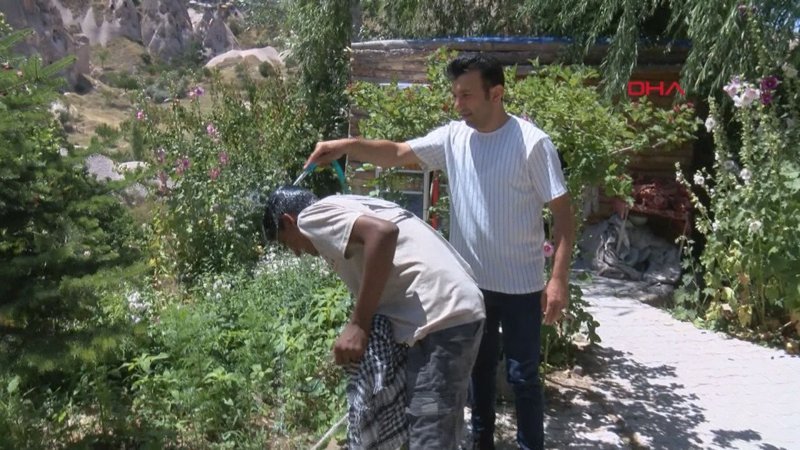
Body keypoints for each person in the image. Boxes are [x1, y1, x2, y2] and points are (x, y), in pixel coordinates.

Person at [306, 54, 576, 450]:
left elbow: (564, 217)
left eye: (466, 95)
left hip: (521, 287)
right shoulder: (453, 138)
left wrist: (558, 280)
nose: (458, 104)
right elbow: (397, 152)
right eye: (455, 95)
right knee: (478, 377)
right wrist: (347, 146)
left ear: (496, 93)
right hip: (472, 287)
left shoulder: (532, 144)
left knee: (523, 378)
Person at [261, 186, 486, 449]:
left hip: (442, 320)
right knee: (430, 418)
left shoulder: (310, 217)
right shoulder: (346, 204)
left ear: (289, 221)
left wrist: (359, 324)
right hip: (448, 316)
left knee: (430, 433)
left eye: (287, 243)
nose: (296, 253)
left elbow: (383, 233)